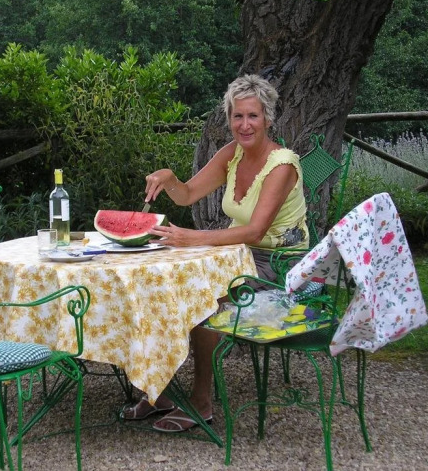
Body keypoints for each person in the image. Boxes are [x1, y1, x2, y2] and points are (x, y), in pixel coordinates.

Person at [121, 73, 309, 432]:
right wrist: (170, 179)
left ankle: (202, 402)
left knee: (205, 298)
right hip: (235, 256)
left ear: (268, 118)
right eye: (238, 116)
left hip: (281, 266)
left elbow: (255, 231)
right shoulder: (231, 155)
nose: (245, 124)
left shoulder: (283, 164)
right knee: (161, 284)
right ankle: (157, 390)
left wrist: (193, 238)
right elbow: (188, 194)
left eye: (253, 116)